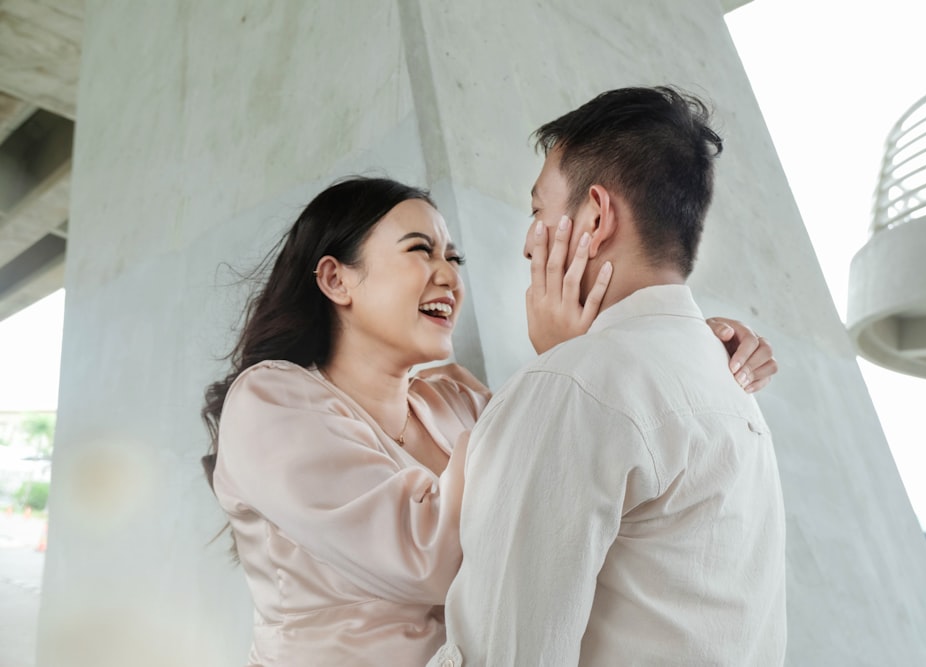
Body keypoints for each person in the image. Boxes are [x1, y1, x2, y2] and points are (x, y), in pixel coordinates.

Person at [201, 176, 777, 666]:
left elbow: (562, 462)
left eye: (454, 257)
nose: (448, 275)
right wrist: (554, 361)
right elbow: (428, 553)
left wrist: (682, 343)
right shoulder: (268, 402)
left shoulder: (453, 397)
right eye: (419, 250)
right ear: (335, 279)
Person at [430, 86, 787, 666]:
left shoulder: (576, 387)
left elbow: (506, 652)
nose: (527, 244)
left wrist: (559, 371)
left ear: (595, 215)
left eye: (537, 211)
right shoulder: (733, 387)